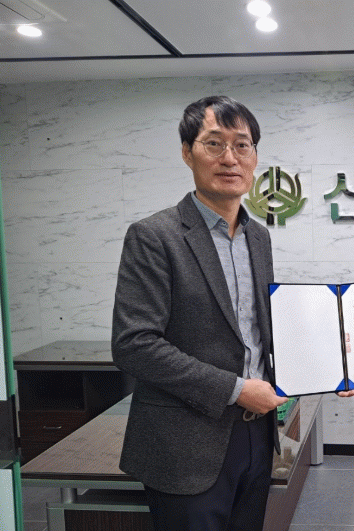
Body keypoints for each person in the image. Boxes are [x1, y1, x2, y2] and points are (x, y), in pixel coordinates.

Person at [111, 95, 287, 531]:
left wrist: (333, 362)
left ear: (255, 157)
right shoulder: (154, 236)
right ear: (187, 153)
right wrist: (235, 389)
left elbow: (257, 332)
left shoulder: (258, 237)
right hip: (185, 445)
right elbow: (135, 345)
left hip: (257, 434)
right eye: (214, 143)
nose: (230, 158)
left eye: (242, 145)